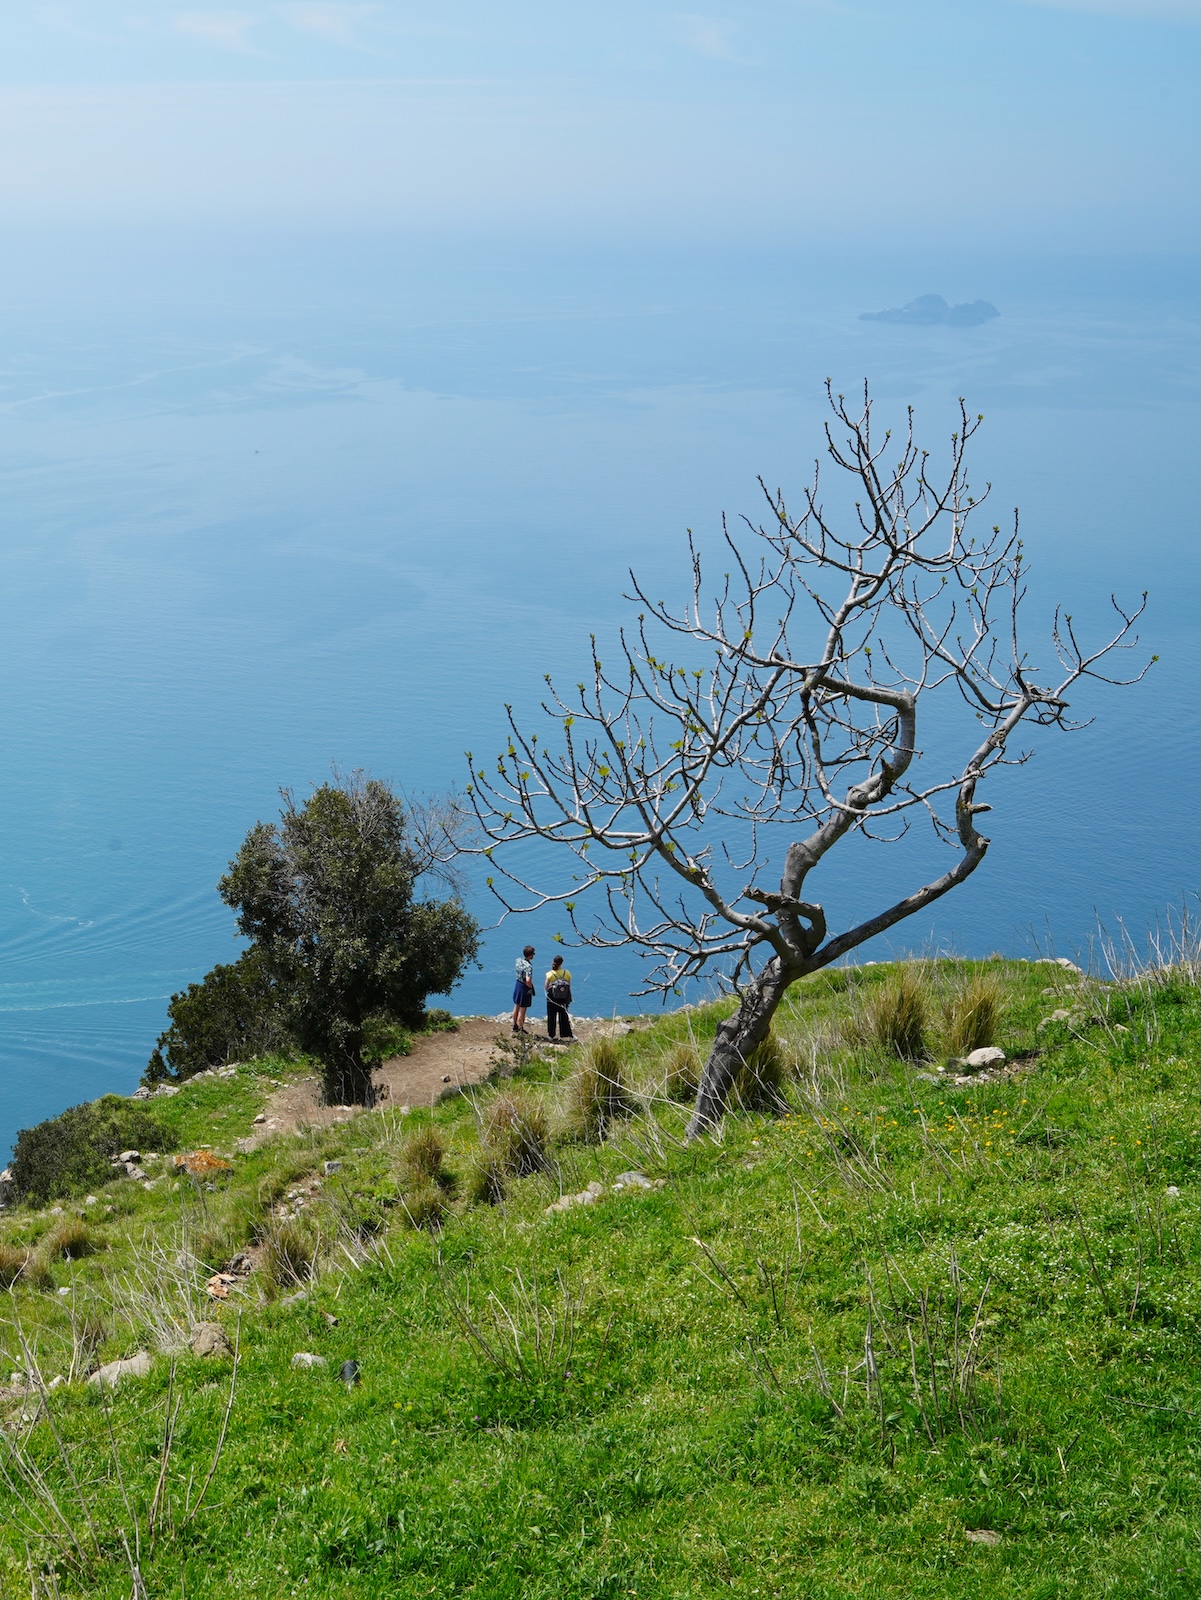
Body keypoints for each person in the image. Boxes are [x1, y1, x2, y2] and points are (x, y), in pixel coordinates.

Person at [544, 954, 573, 1041]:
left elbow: (546, 986)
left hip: (552, 998)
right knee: (564, 1016)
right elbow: (569, 986)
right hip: (563, 998)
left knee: (551, 1016)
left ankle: (551, 1035)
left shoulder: (550, 974)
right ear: (562, 963)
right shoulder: (567, 973)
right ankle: (566, 1034)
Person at [511, 945, 535, 1033]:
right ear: (531, 955)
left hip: (518, 984)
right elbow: (528, 980)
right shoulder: (529, 967)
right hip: (525, 987)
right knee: (523, 1009)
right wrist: (531, 988)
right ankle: (521, 1028)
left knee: (516, 1005)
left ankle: (514, 1025)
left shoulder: (518, 960)